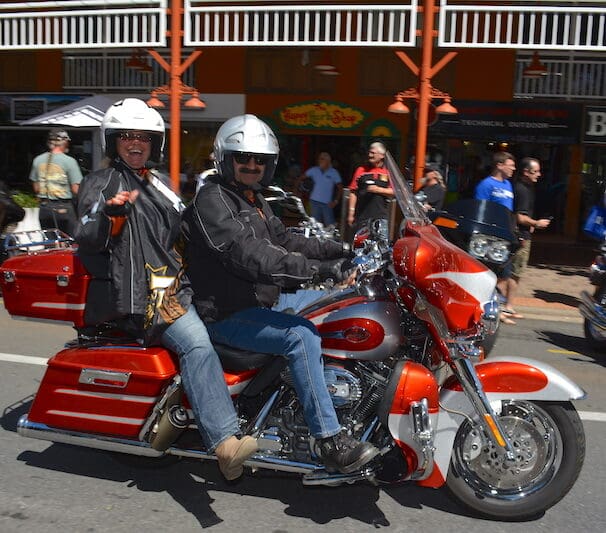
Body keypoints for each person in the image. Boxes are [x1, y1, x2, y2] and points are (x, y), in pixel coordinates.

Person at [160, 114, 379, 476]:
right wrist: (320, 271)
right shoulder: (212, 201)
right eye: (243, 158)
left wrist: (339, 250)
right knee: (300, 334)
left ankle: (334, 396)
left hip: (261, 301)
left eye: (259, 160)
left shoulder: (253, 198)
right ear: (225, 159)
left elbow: (286, 240)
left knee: (341, 307)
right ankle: (329, 439)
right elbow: (249, 255)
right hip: (225, 313)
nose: (251, 165)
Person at [74, 99, 255, 481]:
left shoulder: (160, 183)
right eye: (126, 136)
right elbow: (87, 232)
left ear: (155, 143)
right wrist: (112, 215)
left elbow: (188, 228)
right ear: (112, 141)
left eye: (143, 137)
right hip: (149, 294)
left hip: (180, 284)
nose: (135, 144)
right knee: (197, 345)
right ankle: (224, 442)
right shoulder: (102, 183)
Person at [505, 157, 551, 320]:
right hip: (520, 236)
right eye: (535, 171)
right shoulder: (522, 190)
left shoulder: (525, 188)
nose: (538, 175)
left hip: (521, 233)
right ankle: (507, 307)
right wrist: (536, 223)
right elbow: (520, 217)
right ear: (526, 172)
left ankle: (507, 305)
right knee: (515, 272)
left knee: (512, 272)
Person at [474, 152, 516, 324]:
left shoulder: (508, 185)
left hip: (505, 233)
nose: (513, 168)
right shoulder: (486, 184)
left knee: (505, 273)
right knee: (494, 273)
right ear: (499, 165)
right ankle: (489, 307)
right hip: (491, 236)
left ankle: (498, 306)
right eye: (510, 165)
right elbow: (480, 208)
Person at [29, 128, 83, 235]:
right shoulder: (70, 161)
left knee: (50, 244)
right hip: (64, 208)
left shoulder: (38, 160)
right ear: (65, 142)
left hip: (44, 209)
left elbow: (36, 188)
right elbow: (76, 189)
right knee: (71, 242)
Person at [347, 141, 394, 234]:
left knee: (380, 244)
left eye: (373, 153)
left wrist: (378, 189)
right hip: (362, 216)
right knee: (360, 244)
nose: (369, 155)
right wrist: (351, 212)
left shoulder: (388, 172)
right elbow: (353, 191)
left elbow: (394, 192)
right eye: (369, 152)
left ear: (382, 155)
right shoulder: (361, 170)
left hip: (380, 217)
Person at [296, 152, 343, 226]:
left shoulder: (334, 172)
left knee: (330, 226)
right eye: (319, 159)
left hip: (327, 204)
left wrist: (336, 201)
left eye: (322, 159)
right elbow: (300, 178)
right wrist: (296, 191)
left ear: (328, 161)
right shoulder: (314, 170)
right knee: (314, 225)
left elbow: (340, 188)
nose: (319, 161)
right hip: (314, 202)